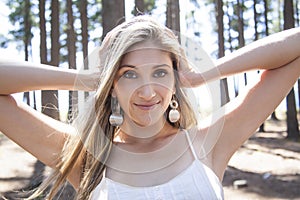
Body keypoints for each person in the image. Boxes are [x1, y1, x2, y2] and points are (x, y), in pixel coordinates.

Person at [0, 15, 299, 200]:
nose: (147, 91)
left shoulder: (207, 143)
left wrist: (200, 76)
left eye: (159, 72)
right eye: (129, 74)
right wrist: (90, 79)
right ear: (113, 86)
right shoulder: (87, 156)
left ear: (175, 80)